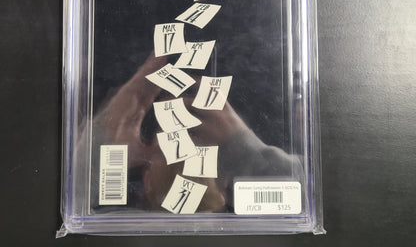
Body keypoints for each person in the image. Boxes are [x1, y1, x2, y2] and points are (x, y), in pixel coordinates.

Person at [87, 52, 303, 213]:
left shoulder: (114, 220)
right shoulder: (255, 223)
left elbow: (309, 198)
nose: (183, 160)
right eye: (173, 145)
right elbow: (307, 199)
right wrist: (242, 151)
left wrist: (103, 145)